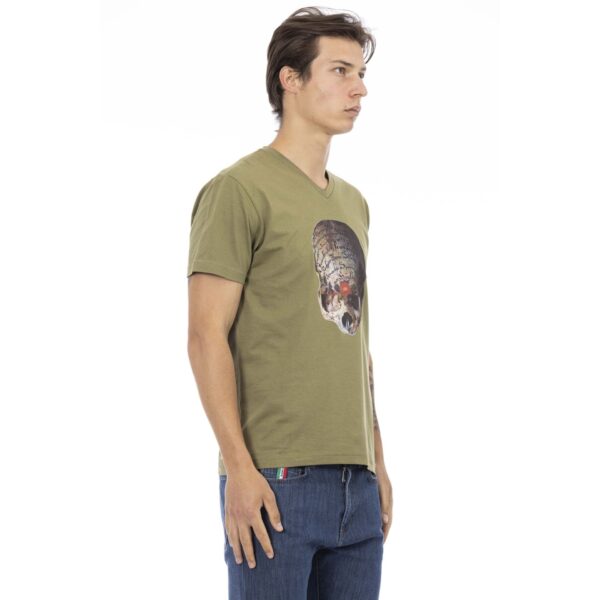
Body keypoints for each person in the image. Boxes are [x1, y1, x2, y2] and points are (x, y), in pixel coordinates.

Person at [187, 7, 392, 599]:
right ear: (290, 79)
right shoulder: (239, 190)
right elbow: (205, 335)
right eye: (340, 70)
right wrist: (238, 469)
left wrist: (376, 463)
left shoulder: (353, 203)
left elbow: (355, 347)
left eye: (361, 74)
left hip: (356, 485)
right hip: (276, 481)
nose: (359, 88)